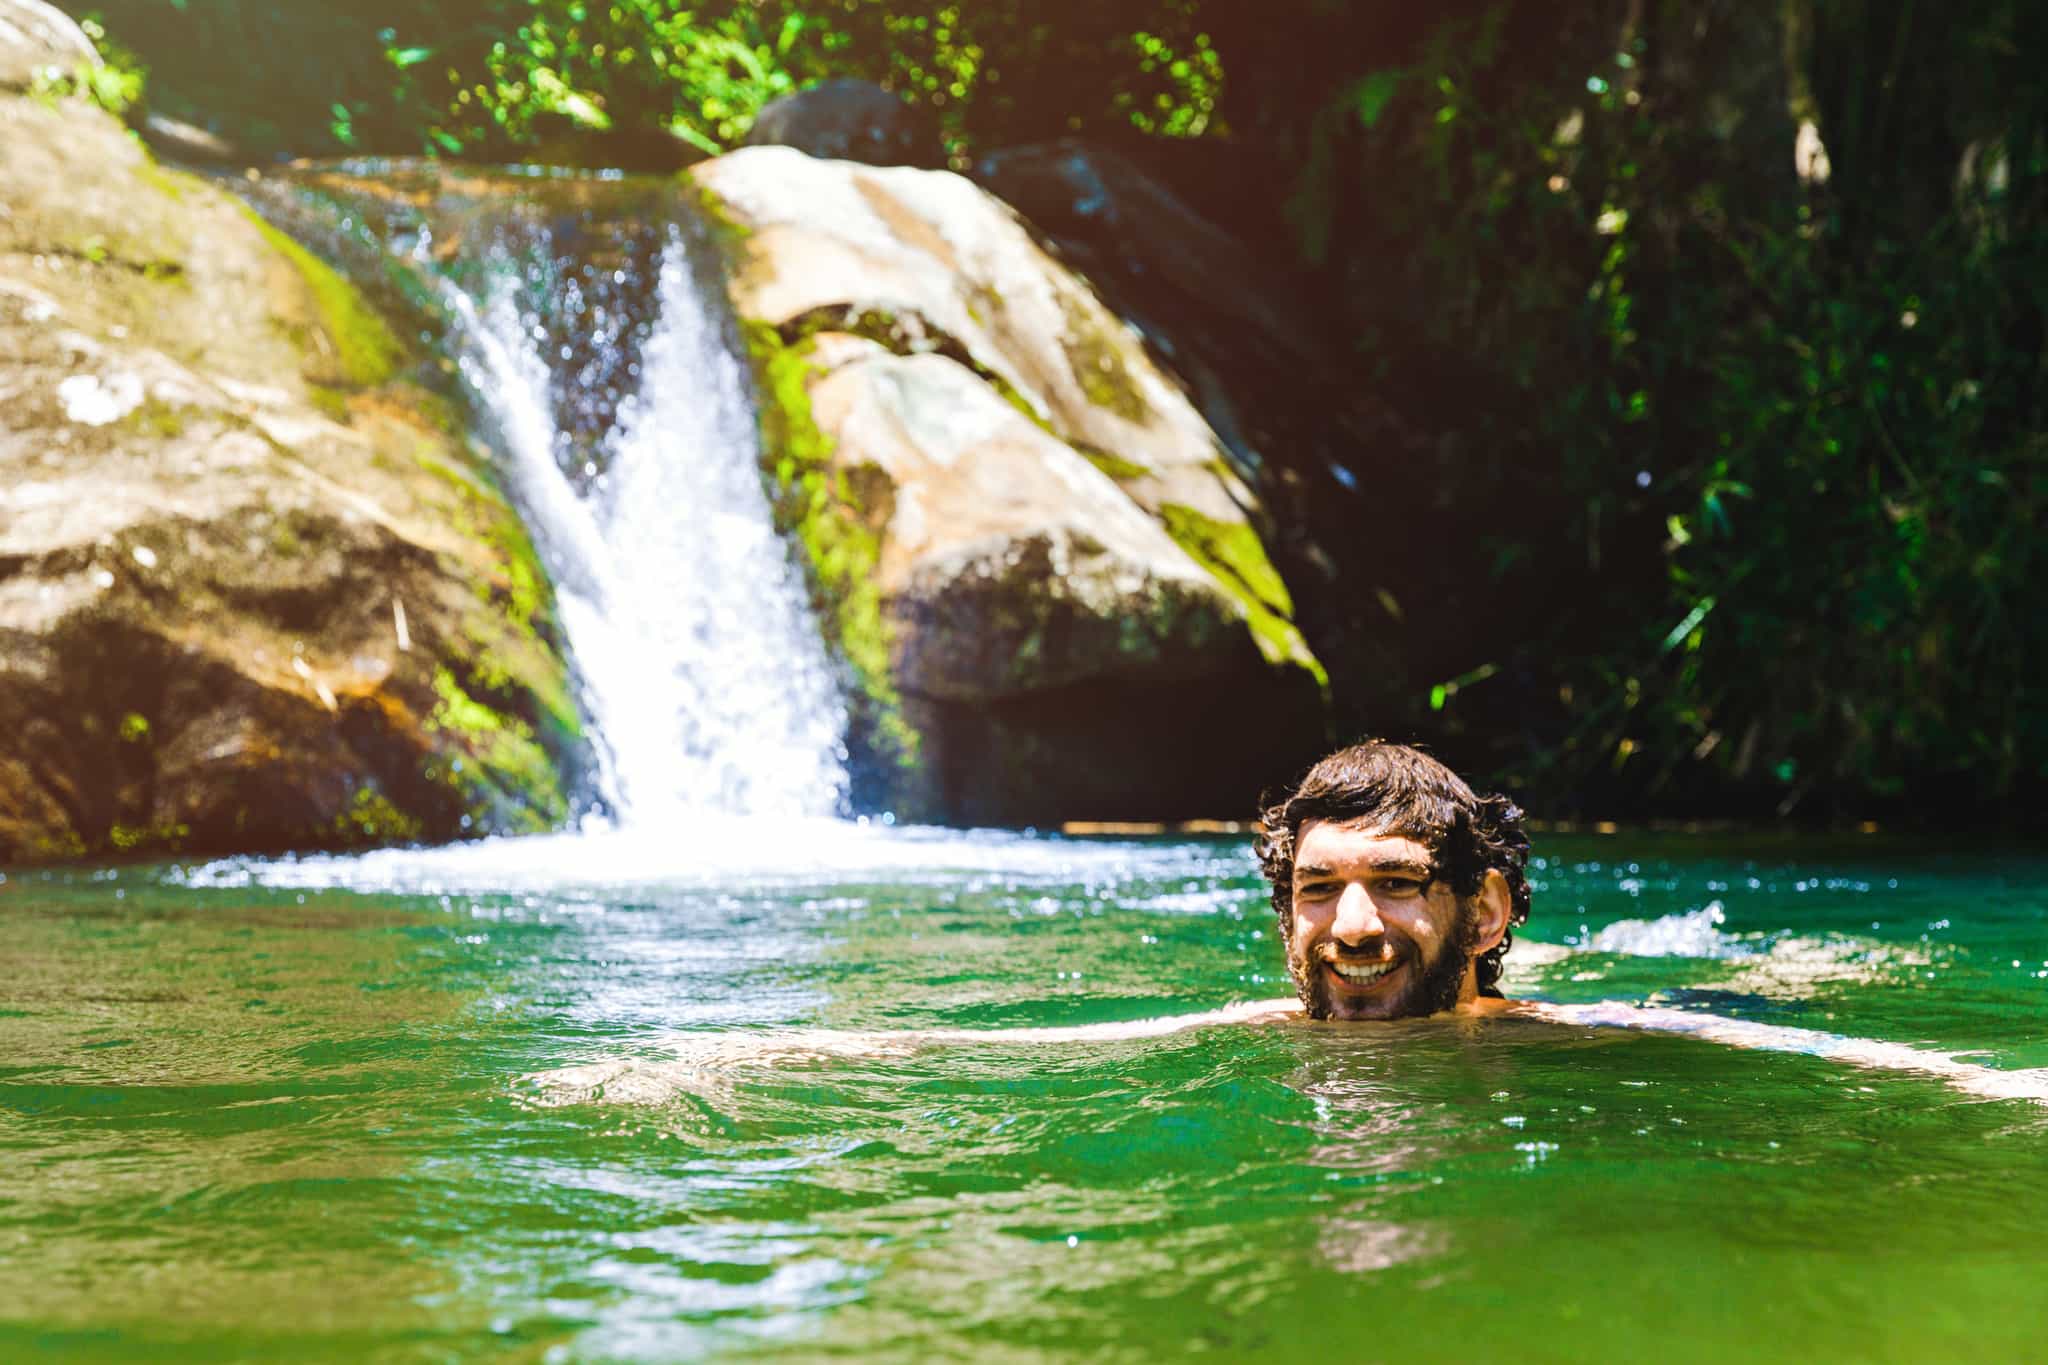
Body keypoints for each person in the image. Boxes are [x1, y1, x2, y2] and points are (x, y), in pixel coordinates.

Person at [526, 740, 2048, 1109]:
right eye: (1320, 890)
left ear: (1484, 909)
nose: (1356, 921)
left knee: (1762, 977)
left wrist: (2000, 1083)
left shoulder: (1555, 1028)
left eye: (1395, 884)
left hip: (1695, 994)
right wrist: (725, 1050)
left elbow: (1846, 1067)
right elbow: (966, 1047)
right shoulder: (1256, 1033)